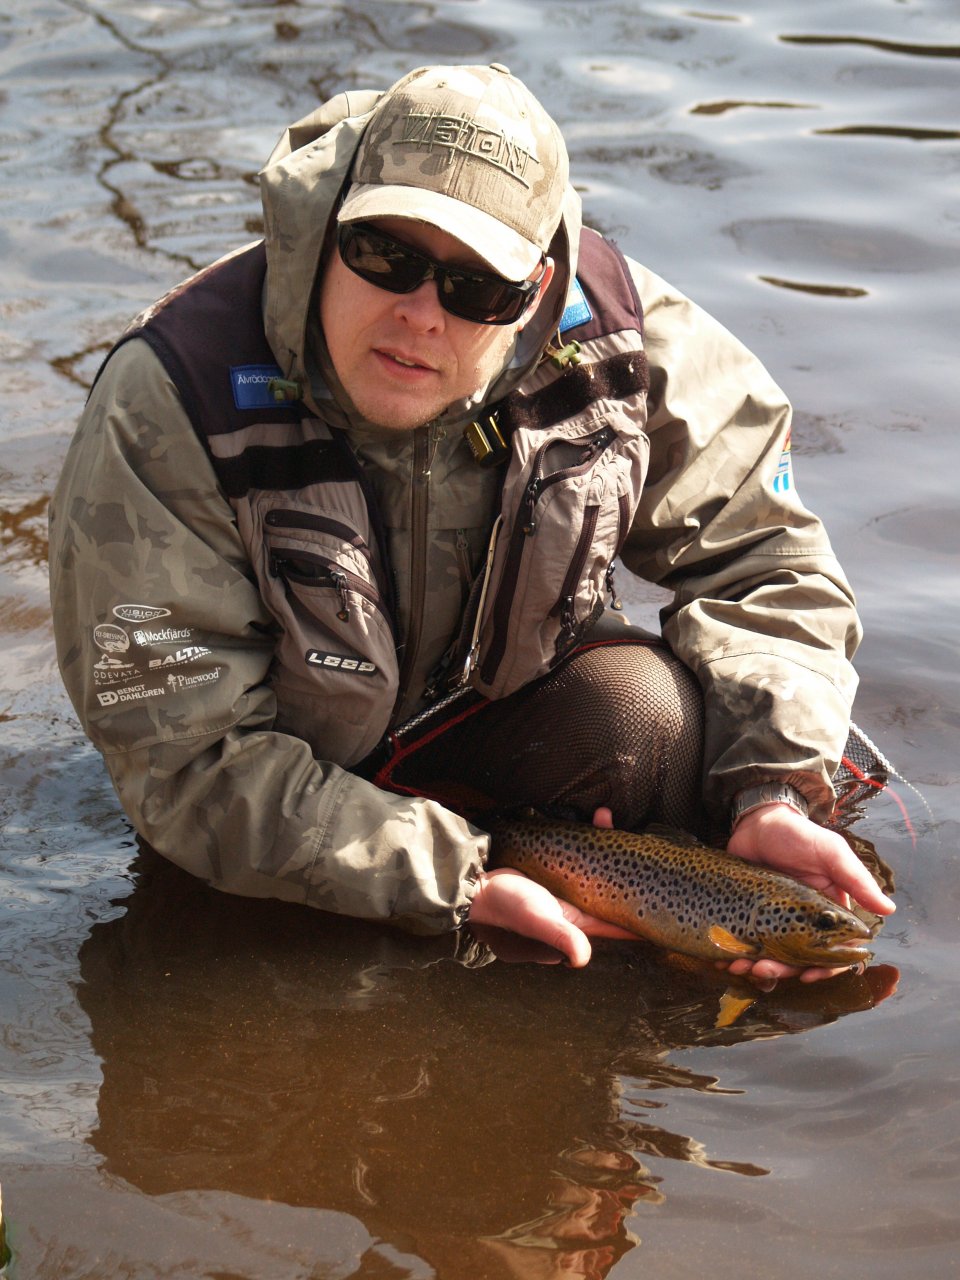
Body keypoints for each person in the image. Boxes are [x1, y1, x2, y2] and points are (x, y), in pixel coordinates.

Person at [48, 62, 894, 981]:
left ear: (534, 289)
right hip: (273, 765)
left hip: (489, 723)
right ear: (328, 229)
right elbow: (185, 762)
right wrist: (459, 878)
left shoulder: (620, 338)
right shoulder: (172, 398)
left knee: (652, 725)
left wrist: (771, 790)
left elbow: (768, 560)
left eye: (476, 289)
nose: (420, 316)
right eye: (385, 256)